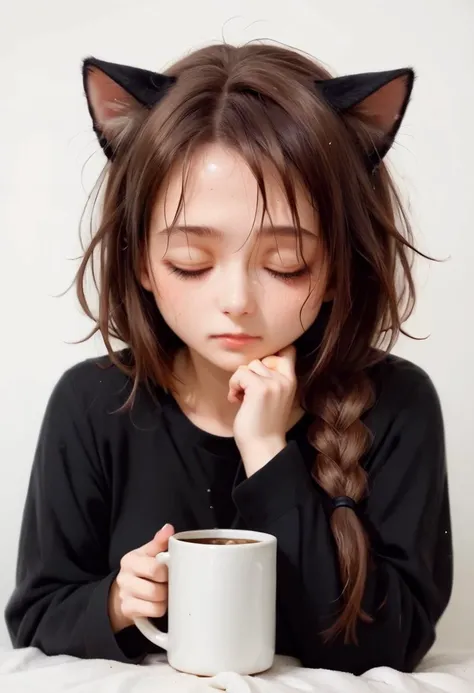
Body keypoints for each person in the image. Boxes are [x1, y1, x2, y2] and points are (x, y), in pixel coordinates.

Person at [5, 42, 452, 675]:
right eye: (191, 261)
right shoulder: (94, 402)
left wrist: (267, 452)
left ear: (335, 268)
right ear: (141, 263)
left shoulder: (398, 404)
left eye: (285, 263)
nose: (236, 301)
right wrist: (117, 601)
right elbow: (36, 616)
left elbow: (394, 645)